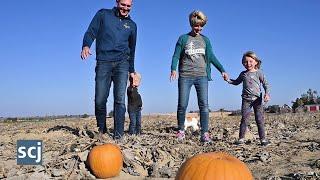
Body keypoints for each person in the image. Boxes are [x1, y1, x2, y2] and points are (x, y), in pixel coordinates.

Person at [81, 0, 137, 140]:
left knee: (119, 100)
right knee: (100, 99)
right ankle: (102, 130)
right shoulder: (103, 15)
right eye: (123, 4)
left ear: (132, 5)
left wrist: (131, 70)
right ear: (117, 2)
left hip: (122, 63)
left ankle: (118, 135)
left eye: (128, 6)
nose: (125, 8)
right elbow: (90, 32)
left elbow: (132, 50)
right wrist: (86, 46)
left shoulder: (132, 25)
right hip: (103, 62)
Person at [170, 10, 229, 143]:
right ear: (191, 24)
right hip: (185, 76)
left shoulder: (205, 40)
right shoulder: (183, 39)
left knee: (204, 105)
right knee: (182, 104)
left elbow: (211, 57)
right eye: (196, 26)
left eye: (201, 26)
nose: (199, 29)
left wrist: (222, 70)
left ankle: (205, 133)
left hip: (201, 76)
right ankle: (180, 130)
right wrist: (173, 68)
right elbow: (176, 55)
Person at [226, 51, 271, 146]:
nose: (248, 64)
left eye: (250, 61)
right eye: (245, 62)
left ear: (256, 62)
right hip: (246, 100)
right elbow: (236, 82)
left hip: (257, 100)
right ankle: (241, 138)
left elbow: (266, 84)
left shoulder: (259, 73)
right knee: (244, 119)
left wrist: (267, 94)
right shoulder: (243, 74)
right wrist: (228, 80)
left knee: (259, 119)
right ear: (243, 63)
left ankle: (263, 139)